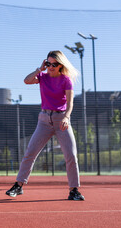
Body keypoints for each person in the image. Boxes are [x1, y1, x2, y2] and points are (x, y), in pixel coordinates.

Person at [6, 50, 84, 201]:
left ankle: (74, 190)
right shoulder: (42, 77)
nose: (51, 67)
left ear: (61, 65)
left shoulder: (66, 80)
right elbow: (26, 81)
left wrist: (67, 117)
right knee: (30, 152)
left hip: (61, 119)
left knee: (71, 155)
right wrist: (39, 69)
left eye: (54, 64)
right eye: (49, 64)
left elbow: (70, 103)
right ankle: (18, 185)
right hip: (44, 120)